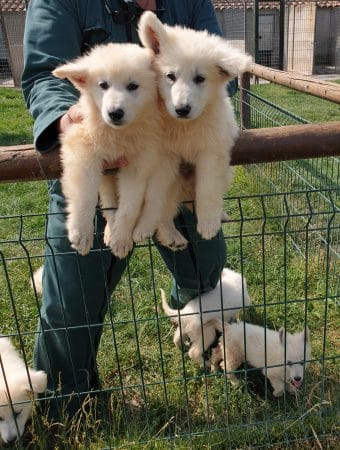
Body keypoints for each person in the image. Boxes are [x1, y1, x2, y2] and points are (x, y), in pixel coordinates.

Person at [22, 0, 236, 421]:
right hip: (100, 161)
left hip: (173, 155)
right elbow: (42, 74)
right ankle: (66, 408)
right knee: (72, 303)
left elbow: (214, 67)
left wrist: (196, 126)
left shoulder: (190, 4)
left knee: (205, 265)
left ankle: (186, 309)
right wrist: (67, 120)